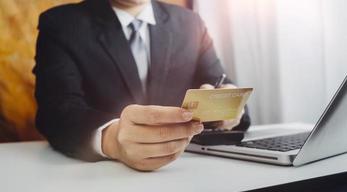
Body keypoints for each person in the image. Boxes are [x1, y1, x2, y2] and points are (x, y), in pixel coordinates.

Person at [33, 0, 250, 171]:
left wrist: (227, 108)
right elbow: (57, 111)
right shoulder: (61, 24)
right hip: (99, 178)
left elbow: (220, 85)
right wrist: (113, 140)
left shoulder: (191, 23)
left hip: (188, 169)